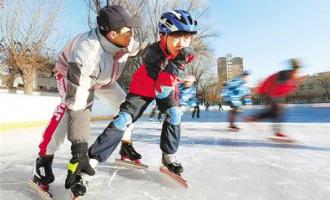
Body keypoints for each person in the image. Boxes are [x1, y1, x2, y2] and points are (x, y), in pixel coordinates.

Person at [30, 5, 142, 197]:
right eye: (128, 30)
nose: (132, 34)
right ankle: (43, 162)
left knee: (127, 108)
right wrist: (79, 151)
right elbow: (79, 106)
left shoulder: (126, 41)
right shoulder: (87, 53)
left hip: (103, 79)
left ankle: (125, 145)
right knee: (68, 112)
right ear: (113, 35)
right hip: (72, 75)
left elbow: (140, 50)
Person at [88, 10, 198, 177]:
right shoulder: (153, 53)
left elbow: (170, 83)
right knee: (124, 119)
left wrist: (182, 75)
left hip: (167, 87)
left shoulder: (184, 52)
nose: (182, 43)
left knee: (175, 114)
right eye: (177, 37)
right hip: (144, 87)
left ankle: (168, 155)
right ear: (164, 35)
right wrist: (182, 73)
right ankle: (92, 159)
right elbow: (161, 87)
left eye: (187, 37)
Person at [244, 59, 302, 138]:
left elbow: (286, 89)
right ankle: (253, 118)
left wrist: (294, 84)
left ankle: (253, 118)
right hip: (266, 92)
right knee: (275, 110)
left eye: (297, 71)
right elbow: (273, 85)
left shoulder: (290, 76)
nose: (297, 73)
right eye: (296, 71)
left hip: (271, 93)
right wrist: (272, 98)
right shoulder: (284, 75)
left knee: (277, 112)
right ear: (293, 69)